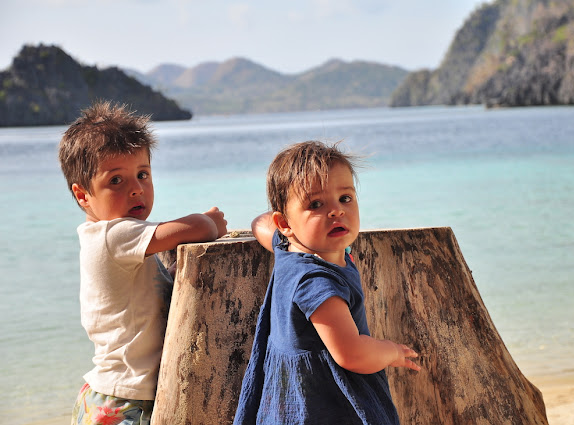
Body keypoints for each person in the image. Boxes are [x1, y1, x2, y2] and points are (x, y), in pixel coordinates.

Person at [58, 101, 228, 425]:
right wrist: (210, 220)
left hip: (114, 395)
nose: (136, 189)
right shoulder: (113, 235)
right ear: (82, 195)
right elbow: (198, 229)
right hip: (125, 401)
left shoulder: (111, 238)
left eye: (142, 174)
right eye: (116, 181)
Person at [234, 141, 420, 425]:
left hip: (290, 400)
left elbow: (261, 223)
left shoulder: (287, 248)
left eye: (345, 198)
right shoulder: (317, 283)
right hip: (325, 406)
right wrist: (391, 351)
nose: (336, 211)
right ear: (285, 223)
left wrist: (289, 227)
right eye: (316, 204)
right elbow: (351, 354)